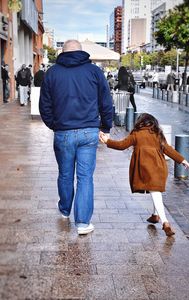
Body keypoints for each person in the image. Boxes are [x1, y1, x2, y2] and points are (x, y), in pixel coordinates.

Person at [39, 39, 113, 235]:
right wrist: (105, 126)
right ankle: (82, 223)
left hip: (63, 132)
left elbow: (44, 106)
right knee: (85, 177)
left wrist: (55, 125)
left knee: (64, 174)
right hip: (89, 131)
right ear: (82, 52)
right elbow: (106, 102)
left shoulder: (52, 73)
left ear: (62, 52)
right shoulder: (94, 71)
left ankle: (64, 209)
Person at [99, 113, 189, 237]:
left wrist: (107, 141)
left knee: (155, 192)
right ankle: (155, 215)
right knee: (156, 191)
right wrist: (182, 160)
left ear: (139, 123)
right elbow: (168, 149)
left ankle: (165, 222)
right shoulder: (158, 134)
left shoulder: (136, 134)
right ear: (153, 123)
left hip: (145, 169)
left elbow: (121, 145)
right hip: (159, 168)